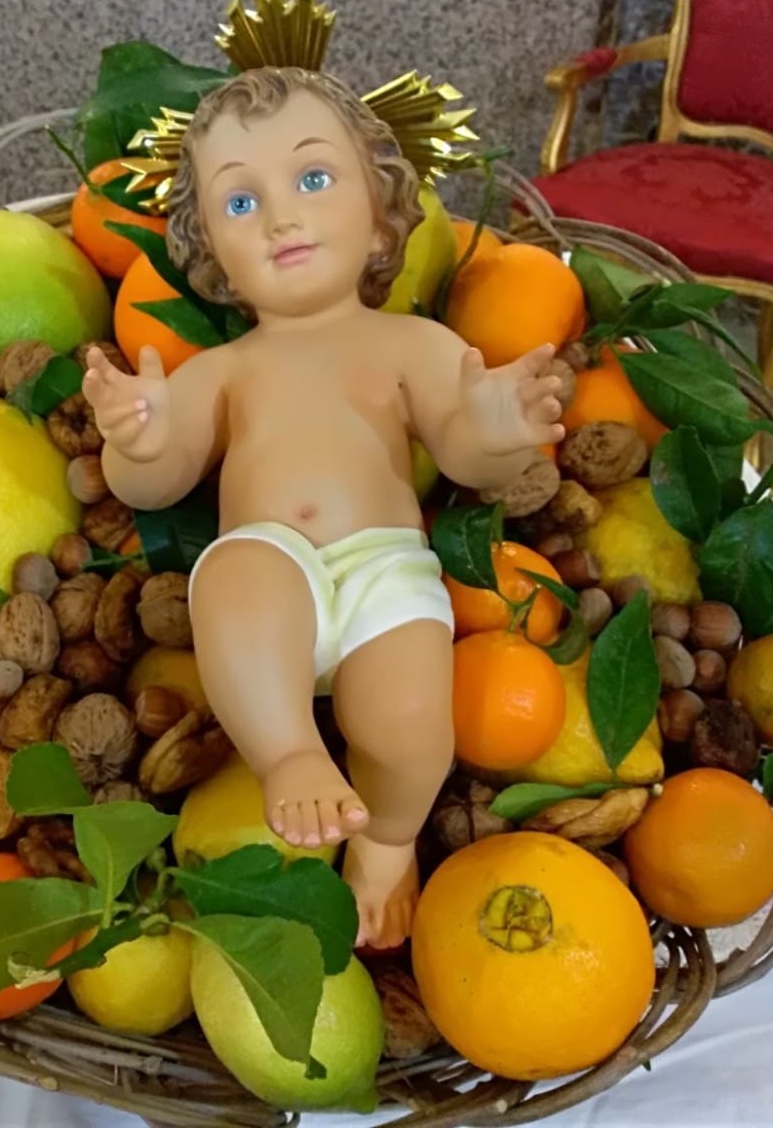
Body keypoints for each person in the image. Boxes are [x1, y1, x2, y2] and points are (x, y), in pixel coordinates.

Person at [83, 66, 563, 948]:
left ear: (381, 210)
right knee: (237, 579)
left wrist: (497, 429)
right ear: (210, 254)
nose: (280, 218)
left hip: (385, 573)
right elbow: (156, 483)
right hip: (271, 564)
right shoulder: (224, 369)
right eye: (240, 203)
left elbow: (464, 452)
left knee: (410, 724)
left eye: (312, 178)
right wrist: (138, 440)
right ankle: (287, 753)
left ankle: (387, 840)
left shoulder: (414, 343)